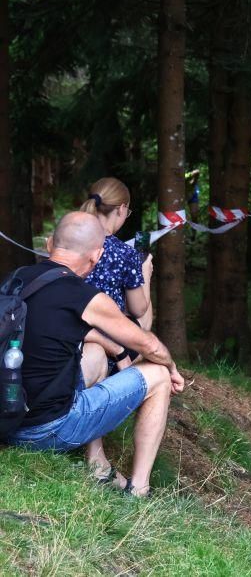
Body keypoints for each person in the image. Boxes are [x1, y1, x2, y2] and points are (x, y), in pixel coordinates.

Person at [4, 212, 185, 497]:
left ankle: (96, 461)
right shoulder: (83, 296)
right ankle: (139, 489)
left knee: (95, 353)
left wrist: (114, 349)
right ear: (97, 255)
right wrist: (172, 367)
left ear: (50, 244)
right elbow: (148, 345)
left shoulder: (16, 279)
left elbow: (50, 326)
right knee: (159, 374)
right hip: (46, 429)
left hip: (8, 419)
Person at [80, 178, 154, 335]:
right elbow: (138, 310)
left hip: (69, 330)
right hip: (107, 336)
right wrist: (145, 272)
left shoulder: (70, 240)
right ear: (121, 209)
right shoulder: (125, 253)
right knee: (143, 319)